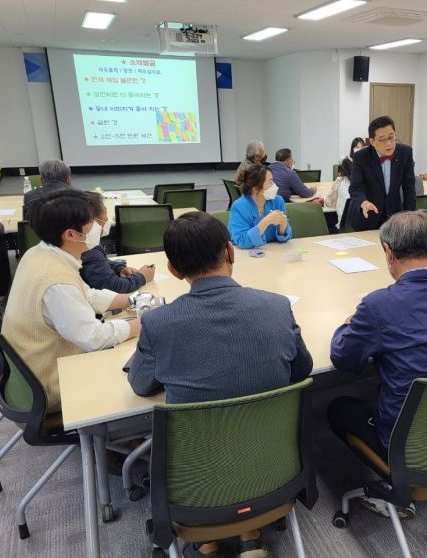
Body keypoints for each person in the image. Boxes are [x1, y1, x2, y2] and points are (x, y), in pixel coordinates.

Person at [127, 211, 312, 558]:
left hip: (197, 485)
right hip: (273, 471)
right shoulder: (277, 307)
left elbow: (140, 385)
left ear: (173, 270)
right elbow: (302, 370)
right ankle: (249, 532)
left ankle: (207, 537)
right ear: (230, 251)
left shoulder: (158, 324)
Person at [327, 211, 427, 518]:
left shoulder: (378, 305)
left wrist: (348, 325)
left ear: (388, 251)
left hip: (409, 441)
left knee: (336, 408)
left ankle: (396, 487)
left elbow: (344, 359)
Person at [1, 190, 140, 413]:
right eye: (92, 222)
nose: (98, 226)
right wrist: (140, 324)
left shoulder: (40, 253)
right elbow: (93, 338)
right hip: (52, 382)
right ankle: (121, 435)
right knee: (139, 365)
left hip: (35, 370)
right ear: (71, 235)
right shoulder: (56, 283)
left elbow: (89, 296)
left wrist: (135, 300)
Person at [348, 116, 416, 231]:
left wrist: (410, 218)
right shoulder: (361, 157)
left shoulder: (405, 152)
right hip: (367, 217)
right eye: (382, 140)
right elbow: (355, 188)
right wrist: (363, 202)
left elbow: (409, 188)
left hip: (395, 219)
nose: (389, 143)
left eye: (391, 137)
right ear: (372, 141)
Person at [80, 192, 155, 293]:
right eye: (105, 213)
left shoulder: (90, 242)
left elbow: (102, 261)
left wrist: (119, 269)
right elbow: (115, 286)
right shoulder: (89, 250)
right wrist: (143, 276)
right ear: (93, 220)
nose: (107, 219)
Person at [229, 164, 292, 249]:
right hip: (246, 256)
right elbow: (241, 241)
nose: (274, 185)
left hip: (272, 254)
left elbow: (284, 237)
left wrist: (283, 224)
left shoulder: (277, 201)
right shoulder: (240, 206)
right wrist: (266, 221)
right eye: (270, 181)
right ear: (256, 187)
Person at [324, 157, 352, 224]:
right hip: (358, 226)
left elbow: (328, 202)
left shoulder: (340, 181)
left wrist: (324, 198)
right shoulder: (360, 182)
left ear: (340, 172)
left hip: (343, 226)